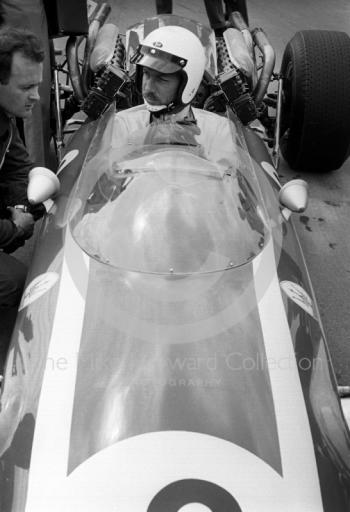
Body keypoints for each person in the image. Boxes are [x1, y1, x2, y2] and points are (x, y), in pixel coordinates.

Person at [109, 25, 237, 166]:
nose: (148, 88)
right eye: (146, 73)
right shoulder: (123, 124)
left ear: (188, 84)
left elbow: (229, 180)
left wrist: (199, 153)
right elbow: (106, 177)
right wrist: (138, 143)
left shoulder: (219, 130)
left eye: (162, 79)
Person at [0, 27, 45, 370]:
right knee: (12, 281)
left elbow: (19, 169)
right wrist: (13, 228)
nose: (37, 96)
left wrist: (21, 207)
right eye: (26, 87)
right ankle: (7, 377)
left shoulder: (6, 115)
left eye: (38, 84)